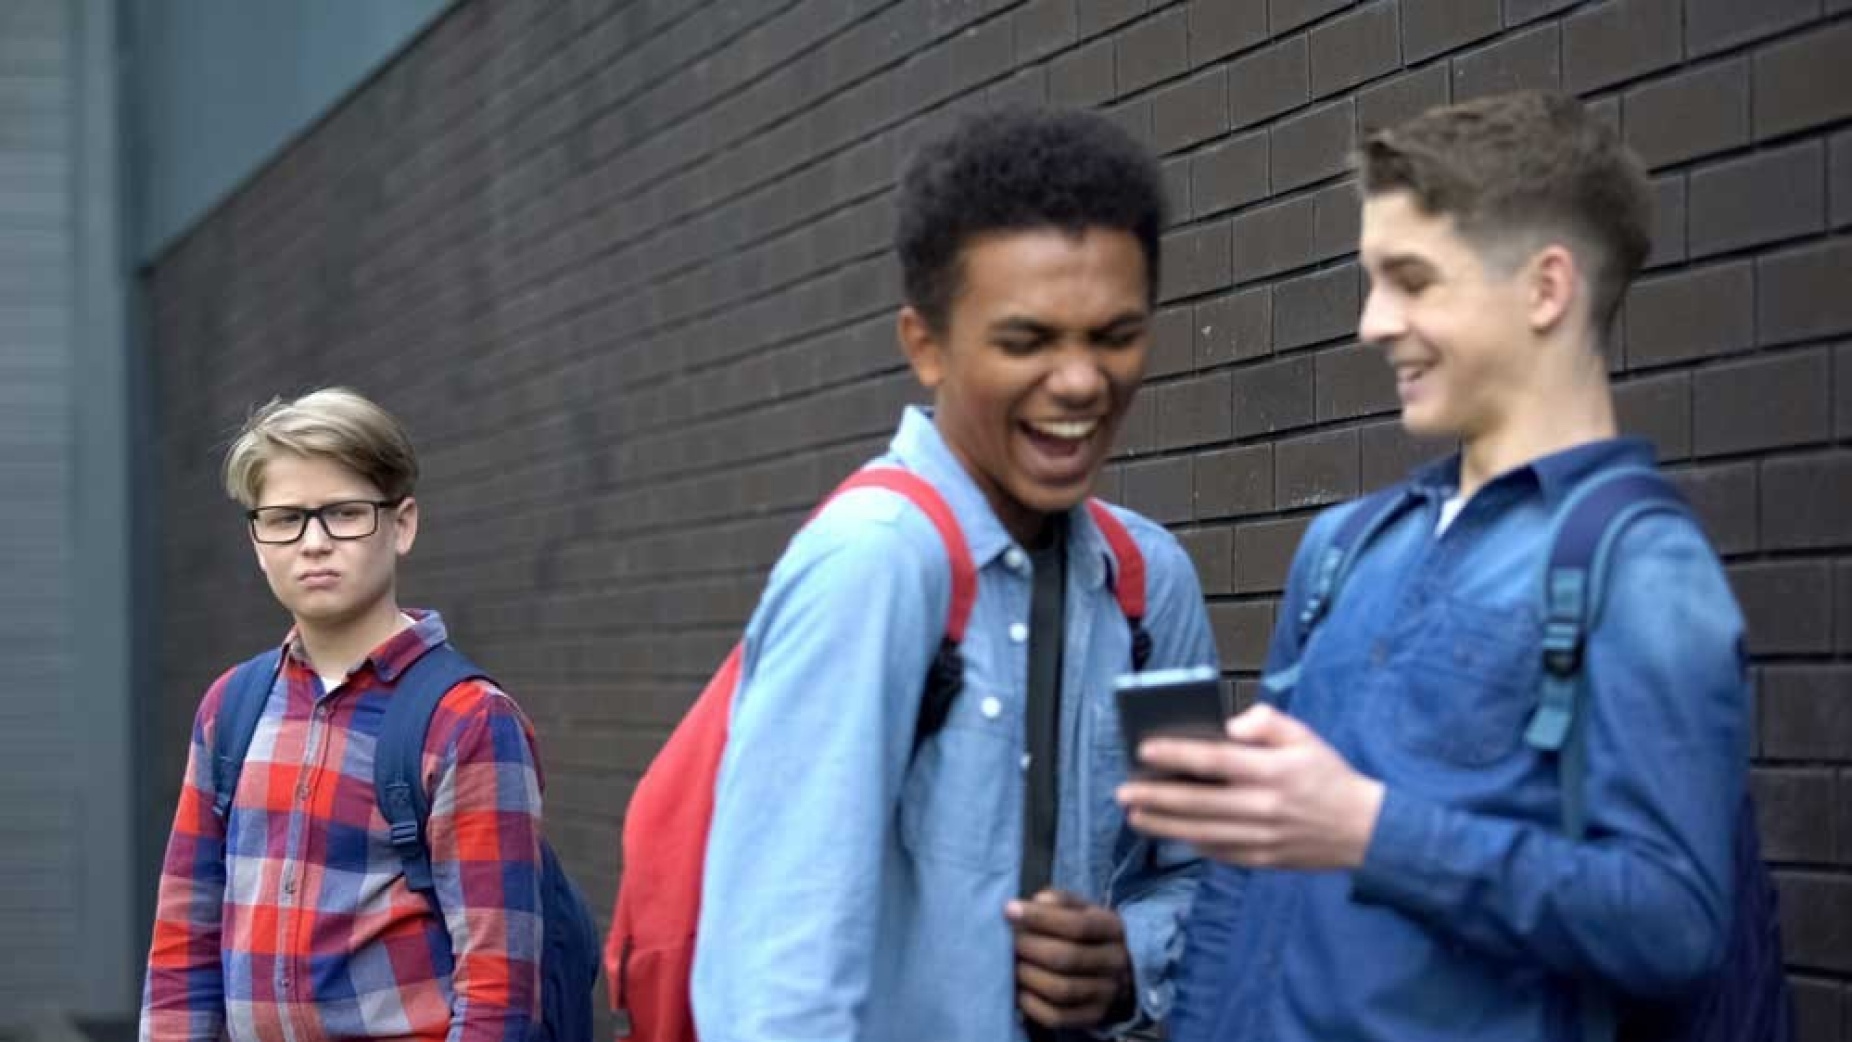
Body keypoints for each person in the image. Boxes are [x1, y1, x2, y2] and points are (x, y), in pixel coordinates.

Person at [1119, 91, 1750, 1042]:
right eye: (1372, 281)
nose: (1372, 323)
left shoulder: (1644, 569)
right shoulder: (1342, 548)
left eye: (1412, 280)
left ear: (1546, 289)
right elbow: (1237, 893)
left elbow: (1674, 920)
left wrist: (1371, 831)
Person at [690, 107, 1217, 1041]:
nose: (1081, 381)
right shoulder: (871, 567)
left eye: (1114, 335)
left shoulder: (1152, 583)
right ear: (925, 343)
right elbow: (776, 989)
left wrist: (1129, 961)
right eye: (1027, 341)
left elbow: (1201, 875)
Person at [141, 388, 547, 1040]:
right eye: (284, 519)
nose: (314, 543)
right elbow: (185, 937)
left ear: (402, 524)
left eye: (345, 513)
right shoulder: (233, 707)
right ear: (256, 538)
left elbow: (499, 984)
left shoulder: (467, 720)